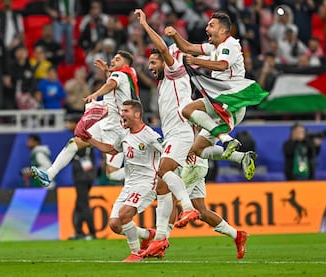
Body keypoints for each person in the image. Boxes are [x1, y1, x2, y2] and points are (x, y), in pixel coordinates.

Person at [164, 12, 268, 181]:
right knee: (198, 149)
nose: (207, 28)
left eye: (211, 25)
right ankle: (242, 157)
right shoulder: (214, 47)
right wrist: (175, 35)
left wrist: (196, 62)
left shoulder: (230, 45)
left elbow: (221, 65)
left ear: (223, 31)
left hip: (229, 100)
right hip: (221, 102)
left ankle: (225, 139)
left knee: (187, 110)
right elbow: (188, 48)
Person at [134, 9, 200, 259]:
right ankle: (160, 240)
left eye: (154, 62)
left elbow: (162, 47)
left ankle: (188, 207)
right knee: (162, 185)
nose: (151, 67)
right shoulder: (164, 83)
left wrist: (145, 24)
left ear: (165, 60)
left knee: (164, 171)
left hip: (181, 133)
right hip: (174, 134)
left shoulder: (175, 71)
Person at [30, 50, 138, 187]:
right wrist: (106, 72)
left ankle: (145, 170)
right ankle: (49, 175)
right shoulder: (127, 75)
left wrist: (96, 94)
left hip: (117, 129)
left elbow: (111, 85)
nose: (113, 61)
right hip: (108, 123)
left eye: (117, 60)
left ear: (125, 64)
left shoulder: (121, 74)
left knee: (112, 173)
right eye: (114, 58)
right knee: (75, 144)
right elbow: (113, 84)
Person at [107, 99, 164, 262]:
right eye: (122, 110)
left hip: (147, 182)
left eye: (126, 111)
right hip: (129, 184)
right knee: (115, 224)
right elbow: (112, 149)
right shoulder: (124, 133)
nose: (121, 113)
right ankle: (147, 234)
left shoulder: (150, 135)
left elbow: (166, 152)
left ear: (137, 114)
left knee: (124, 214)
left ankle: (136, 253)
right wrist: (90, 139)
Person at [65, 115, 97, 241]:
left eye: (69, 122)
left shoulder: (78, 140)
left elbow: (68, 157)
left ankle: (92, 232)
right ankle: (79, 231)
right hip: (88, 175)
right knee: (79, 204)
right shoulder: (87, 137)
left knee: (83, 204)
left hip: (81, 177)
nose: (67, 125)